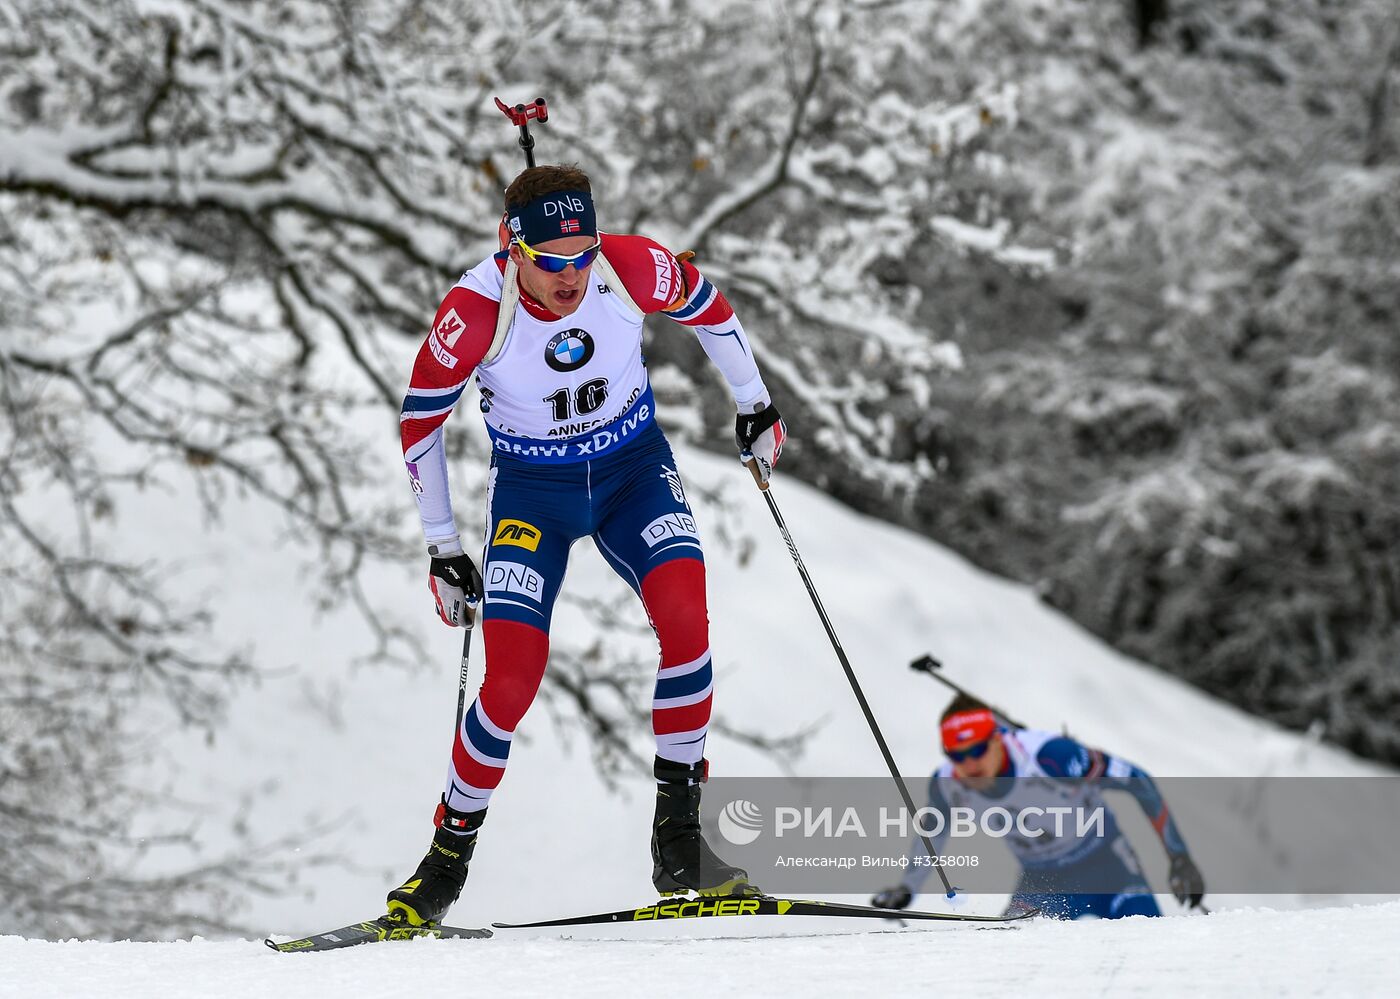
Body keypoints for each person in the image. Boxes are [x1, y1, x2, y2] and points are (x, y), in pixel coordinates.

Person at [383, 164, 786, 926]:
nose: (571, 275)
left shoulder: (627, 264)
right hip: (535, 495)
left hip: (634, 473)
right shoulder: (475, 309)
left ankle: (680, 838)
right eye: (551, 258)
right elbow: (419, 424)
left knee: (686, 617)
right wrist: (442, 546)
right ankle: (444, 861)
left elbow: (711, 310)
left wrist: (755, 404)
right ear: (513, 246)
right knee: (510, 677)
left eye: (582, 254)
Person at [871, 694, 1206, 919]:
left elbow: (1137, 781)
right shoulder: (947, 784)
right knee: (1008, 953)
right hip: (1042, 878)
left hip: (1109, 865)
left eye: (977, 751)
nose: (969, 764)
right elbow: (932, 835)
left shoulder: (1051, 757)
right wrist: (907, 889)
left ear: (997, 738)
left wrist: (1179, 857)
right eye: (958, 756)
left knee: (1150, 950)